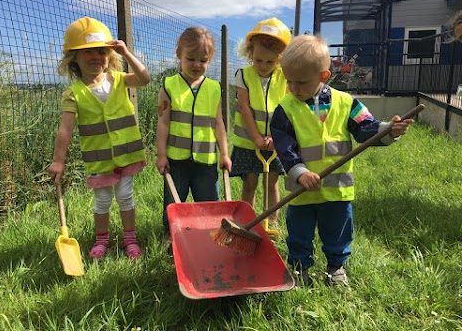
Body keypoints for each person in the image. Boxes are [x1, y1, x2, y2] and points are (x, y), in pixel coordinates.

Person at [270, 35, 414, 286]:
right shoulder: (286, 109)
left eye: (301, 82)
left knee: (338, 231)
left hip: (337, 190)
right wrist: (300, 172)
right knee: (299, 233)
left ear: (323, 76)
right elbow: (285, 147)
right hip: (301, 191)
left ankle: (336, 267)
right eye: (289, 81)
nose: (293, 88)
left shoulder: (346, 103)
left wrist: (388, 130)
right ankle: (300, 267)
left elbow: (366, 130)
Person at [48, 17, 151, 260]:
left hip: (126, 155)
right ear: (74, 58)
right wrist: (58, 161)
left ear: (110, 55)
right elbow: (65, 130)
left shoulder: (118, 79)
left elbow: (145, 79)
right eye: (88, 52)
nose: (96, 57)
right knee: (102, 202)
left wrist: (126, 52)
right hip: (99, 161)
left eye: (102, 51)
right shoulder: (73, 94)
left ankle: (130, 239)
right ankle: (102, 240)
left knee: (126, 197)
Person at [156, 27, 232, 237]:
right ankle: (171, 238)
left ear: (210, 59)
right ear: (179, 54)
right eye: (191, 58)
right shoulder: (169, 86)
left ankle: (210, 237)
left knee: (209, 205)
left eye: (203, 60)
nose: (197, 65)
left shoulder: (214, 88)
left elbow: (218, 124)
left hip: (206, 162)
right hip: (176, 161)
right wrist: (161, 155)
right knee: (173, 204)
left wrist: (224, 153)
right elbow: (163, 123)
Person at [230, 18, 291, 225]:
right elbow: (244, 107)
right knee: (249, 183)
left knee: (271, 182)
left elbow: (289, 108)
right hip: (248, 142)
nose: (263, 66)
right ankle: (246, 222)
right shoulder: (243, 75)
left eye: (270, 62)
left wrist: (277, 137)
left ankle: (271, 222)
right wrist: (256, 137)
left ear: (280, 58)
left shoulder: (285, 77)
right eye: (258, 60)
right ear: (250, 54)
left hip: (276, 142)